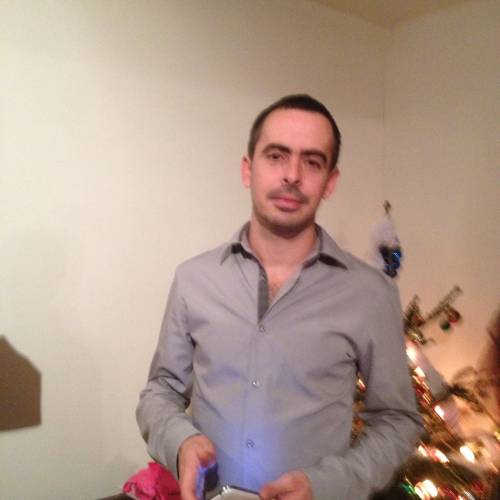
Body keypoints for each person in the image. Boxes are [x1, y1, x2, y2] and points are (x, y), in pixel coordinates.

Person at [137, 94, 423, 500]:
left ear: (330, 182)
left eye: (312, 162)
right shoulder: (194, 279)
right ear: (247, 169)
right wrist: (180, 442)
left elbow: (398, 421)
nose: (292, 175)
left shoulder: (370, 294)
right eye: (276, 156)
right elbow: (160, 392)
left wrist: (329, 484)